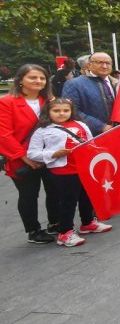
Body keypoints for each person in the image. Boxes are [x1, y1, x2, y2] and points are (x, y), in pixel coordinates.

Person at [27, 98, 111, 247]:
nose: (61, 114)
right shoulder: (42, 131)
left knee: (87, 197)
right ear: (48, 112)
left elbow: (90, 143)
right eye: (56, 111)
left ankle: (88, 222)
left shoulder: (81, 124)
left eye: (66, 110)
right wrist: (53, 154)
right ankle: (65, 232)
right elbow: (32, 153)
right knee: (68, 202)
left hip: (84, 168)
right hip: (63, 171)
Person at [62, 53, 120, 211]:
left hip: (117, 134)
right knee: (97, 172)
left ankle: (119, 199)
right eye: (99, 63)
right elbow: (73, 111)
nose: (105, 66)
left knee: (119, 169)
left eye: (108, 63)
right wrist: (101, 126)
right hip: (92, 136)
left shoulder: (116, 83)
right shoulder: (74, 84)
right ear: (89, 65)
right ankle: (97, 206)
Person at [0, 64, 58, 244]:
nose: (38, 81)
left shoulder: (49, 101)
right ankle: (33, 230)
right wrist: (24, 156)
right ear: (20, 80)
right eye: (33, 77)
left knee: (54, 190)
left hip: (48, 156)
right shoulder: (7, 102)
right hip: (21, 159)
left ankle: (55, 223)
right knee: (29, 195)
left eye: (42, 78)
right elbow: (4, 134)